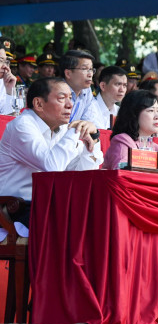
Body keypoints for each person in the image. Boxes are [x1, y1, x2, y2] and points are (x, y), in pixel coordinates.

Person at [0, 78, 104, 241]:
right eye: (62, 98)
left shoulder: (61, 129)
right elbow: (51, 165)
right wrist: (77, 131)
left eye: (71, 98)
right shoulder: (22, 125)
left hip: (43, 207)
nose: (70, 105)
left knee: (96, 214)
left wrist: (92, 141)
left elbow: (81, 174)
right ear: (38, 104)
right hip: (13, 210)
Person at [104, 90, 158, 176]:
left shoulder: (155, 147)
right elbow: (122, 174)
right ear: (134, 114)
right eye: (151, 111)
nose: (157, 116)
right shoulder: (123, 140)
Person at [59, 49, 103, 126]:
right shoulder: (56, 91)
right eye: (84, 69)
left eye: (91, 69)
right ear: (68, 73)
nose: (90, 74)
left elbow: (89, 121)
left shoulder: (87, 90)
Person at [93, 66, 128, 130]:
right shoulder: (89, 108)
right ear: (103, 86)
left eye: (124, 85)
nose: (122, 90)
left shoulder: (120, 112)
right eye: (118, 84)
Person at [0, 37, 17, 115]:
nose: (5, 66)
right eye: (0, 60)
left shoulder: (4, 83)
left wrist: (10, 91)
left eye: (6, 62)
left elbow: (10, 118)